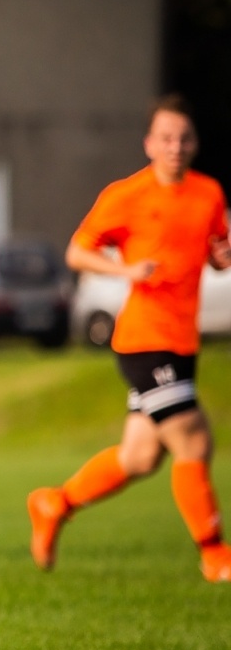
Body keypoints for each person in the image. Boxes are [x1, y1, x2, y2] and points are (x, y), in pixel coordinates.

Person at [28, 95, 231, 582]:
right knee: (193, 441)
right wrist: (124, 268)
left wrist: (219, 258)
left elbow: (215, 252)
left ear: (195, 143)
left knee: (140, 457)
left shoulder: (209, 194)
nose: (175, 146)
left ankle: (56, 502)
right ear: (149, 143)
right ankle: (215, 555)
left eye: (183, 138)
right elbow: (78, 252)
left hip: (183, 341)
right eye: (165, 138)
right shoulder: (127, 194)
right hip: (143, 339)